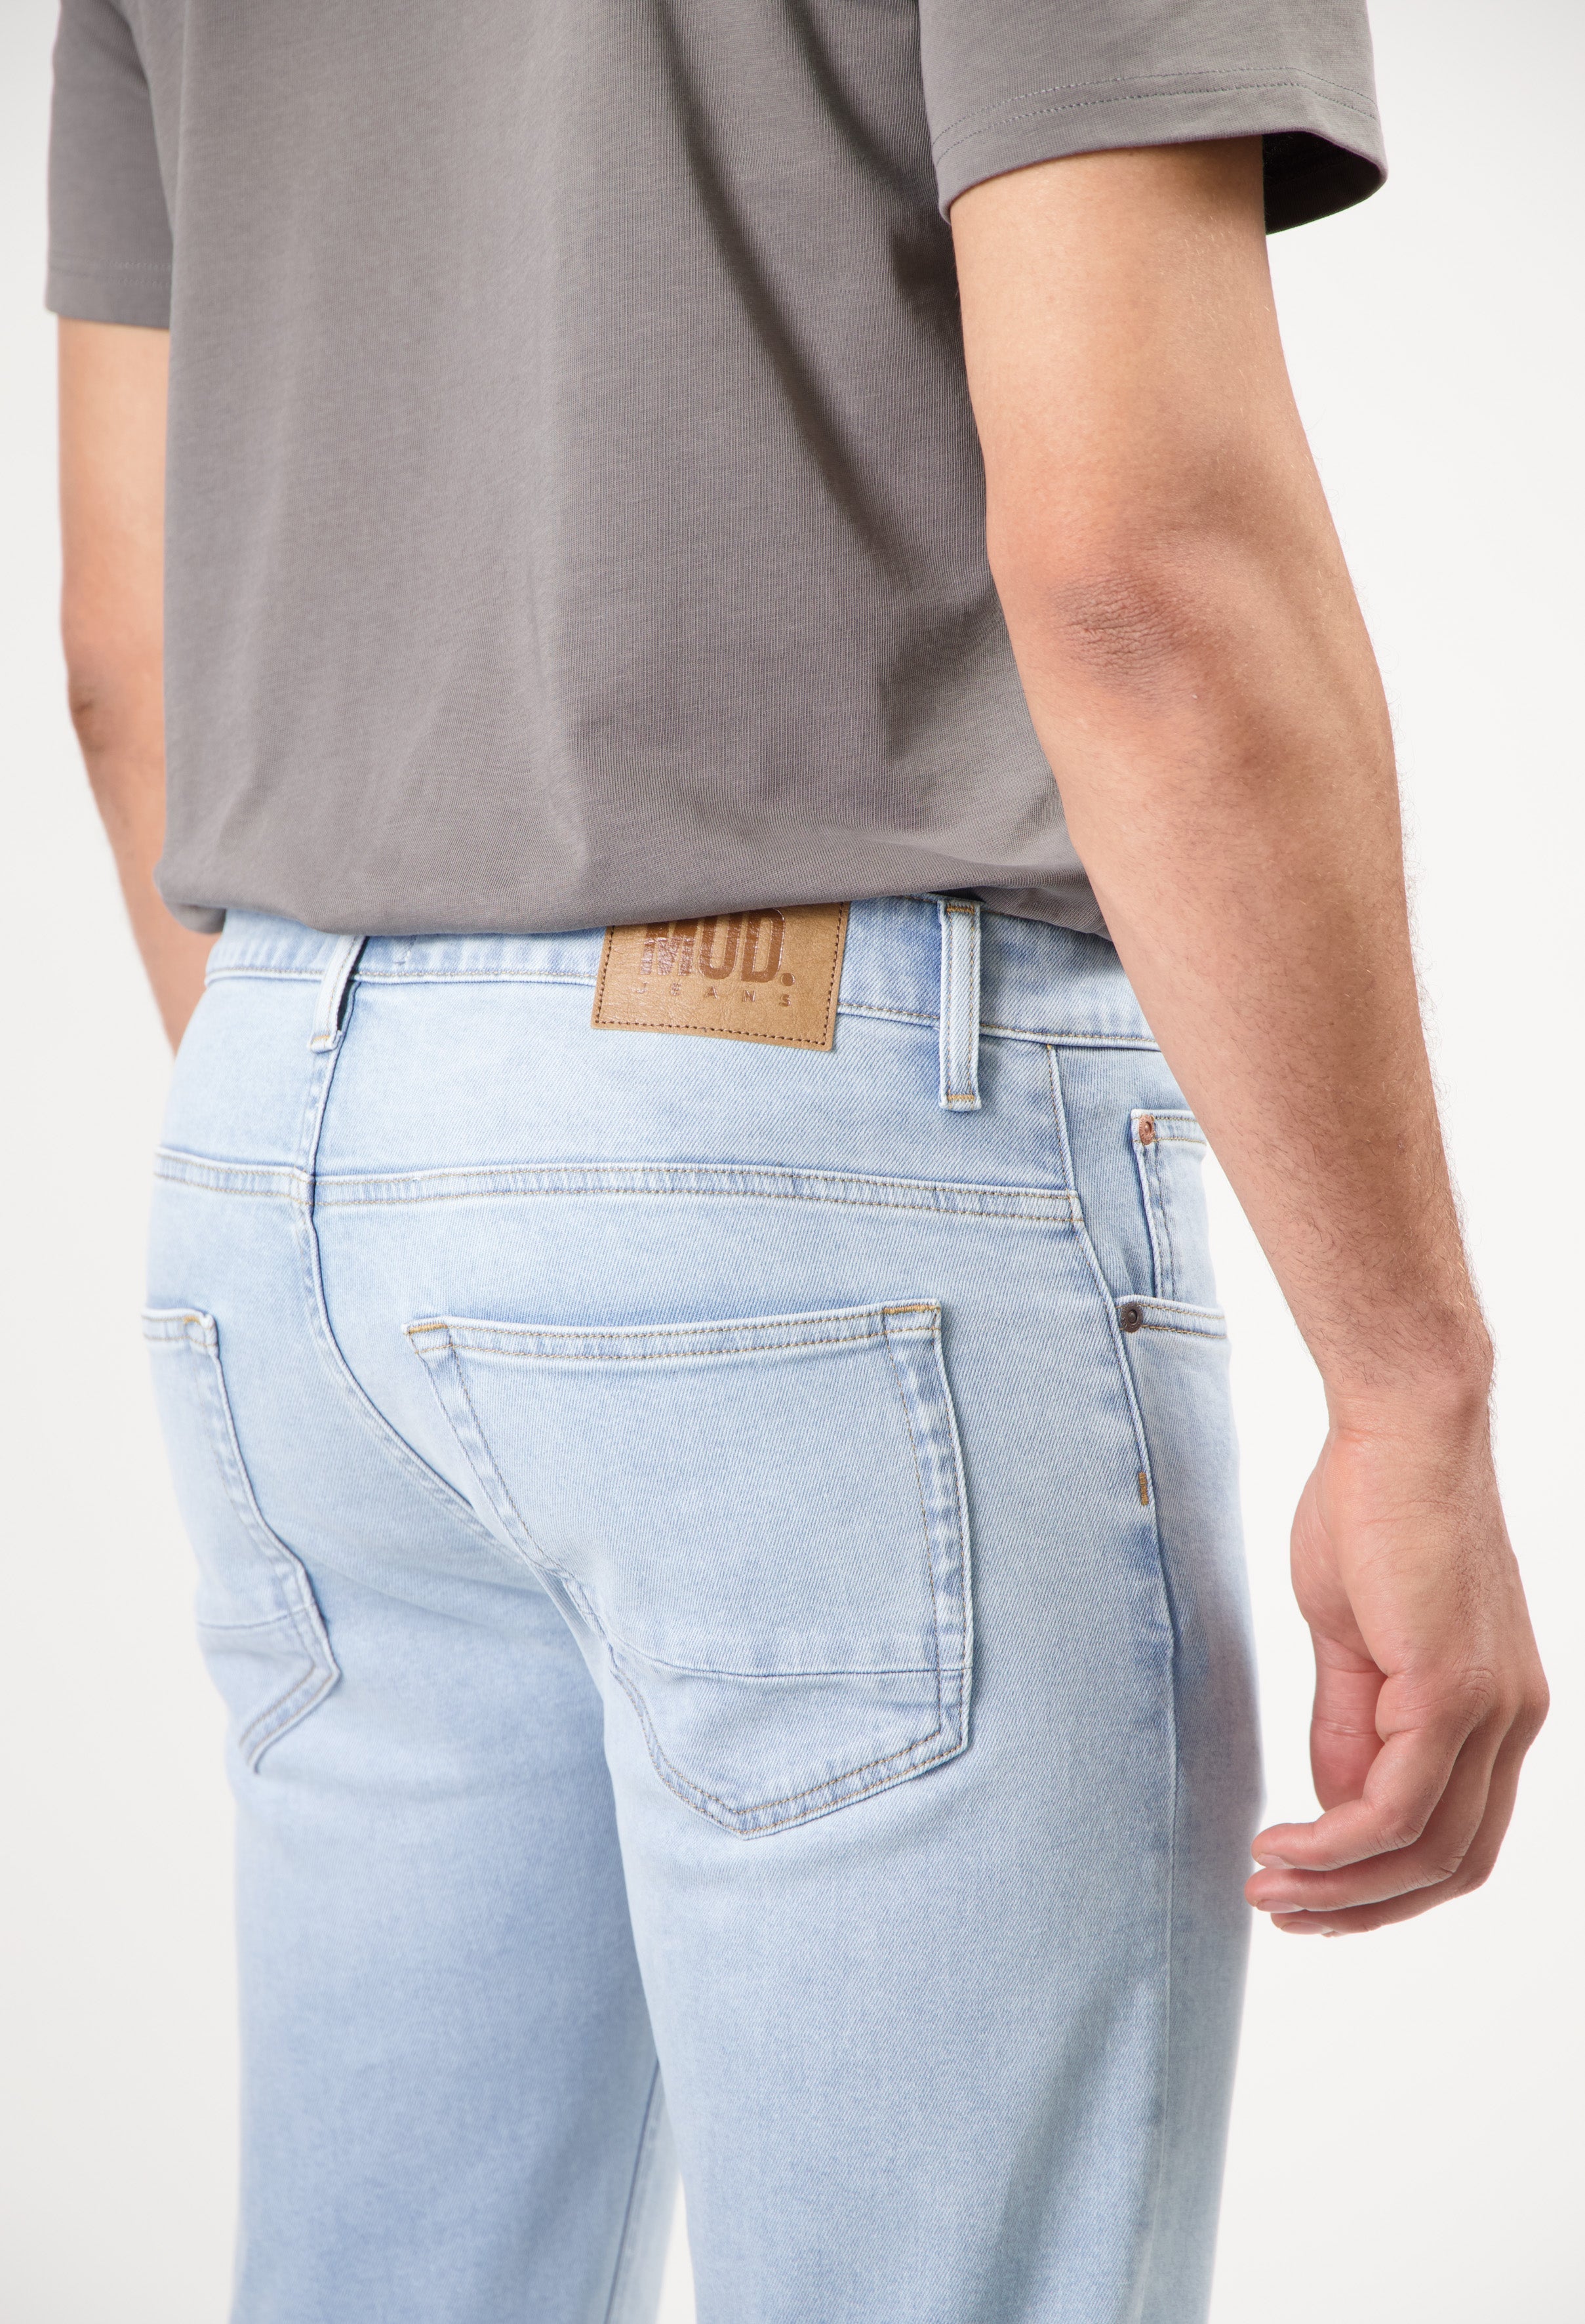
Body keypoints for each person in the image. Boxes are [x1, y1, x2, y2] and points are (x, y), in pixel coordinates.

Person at [47, 1, 1547, 2317]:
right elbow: (1137, 565)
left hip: (288, 1142)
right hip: (816, 1176)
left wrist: (428, 1143)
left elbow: (124, 652)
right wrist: (1408, 1380)